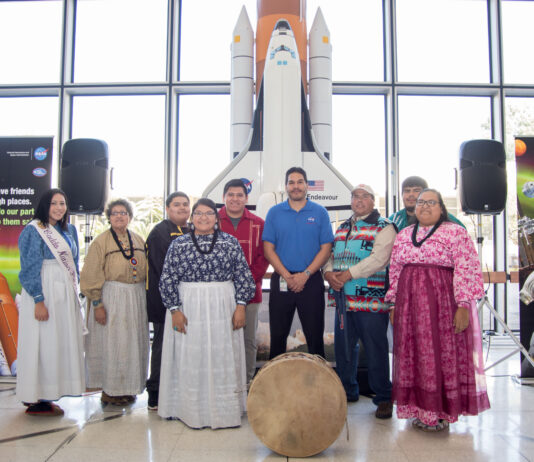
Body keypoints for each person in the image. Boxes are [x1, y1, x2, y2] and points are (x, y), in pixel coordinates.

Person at [385, 188, 490, 432]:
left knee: (442, 355)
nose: (425, 206)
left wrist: (463, 305)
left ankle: (441, 411)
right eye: (421, 202)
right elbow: (395, 271)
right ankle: (420, 408)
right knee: (416, 354)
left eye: (431, 202)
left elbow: (466, 269)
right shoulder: (403, 235)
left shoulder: (455, 233)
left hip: (443, 305)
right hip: (410, 306)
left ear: (442, 208)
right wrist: (393, 303)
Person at [158, 198, 256, 429]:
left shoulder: (230, 242)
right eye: (198, 213)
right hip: (188, 306)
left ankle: (224, 410)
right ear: (192, 218)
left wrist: (240, 306)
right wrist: (175, 310)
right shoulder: (179, 244)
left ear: (216, 218)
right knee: (191, 356)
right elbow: (167, 279)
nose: (203, 218)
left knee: (222, 354)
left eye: (208, 213)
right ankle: (189, 410)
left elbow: (244, 276)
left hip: (223, 306)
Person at [323, 184, 396, 419]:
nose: (359, 200)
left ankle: (384, 397)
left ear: (373, 201)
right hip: (344, 299)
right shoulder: (343, 227)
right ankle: (347, 390)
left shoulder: (385, 227)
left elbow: (379, 259)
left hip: (371, 302)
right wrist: (329, 273)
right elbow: (330, 255)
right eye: (355, 196)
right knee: (344, 348)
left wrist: (348, 275)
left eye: (365, 196)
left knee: (375, 349)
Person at [17, 188, 85, 415]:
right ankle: (36, 397)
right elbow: (28, 268)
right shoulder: (33, 230)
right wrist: (38, 299)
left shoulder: (70, 230)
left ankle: (53, 391)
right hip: (43, 289)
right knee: (42, 340)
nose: (59, 208)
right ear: (44, 205)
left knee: (59, 341)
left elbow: (73, 264)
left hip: (64, 291)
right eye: (54, 203)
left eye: (62, 203)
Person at [81, 199, 149, 406]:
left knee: (131, 344)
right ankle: (110, 390)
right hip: (111, 297)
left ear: (129, 216)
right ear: (109, 217)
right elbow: (91, 273)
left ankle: (127, 387)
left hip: (135, 297)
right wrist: (97, 303)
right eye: (115, 213)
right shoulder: (101, 242)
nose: (119, 216)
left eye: (124, 213)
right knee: (112, 344)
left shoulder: (138, 239)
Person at [262, 167, 334, 359]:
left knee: (315, 339)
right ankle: (274, 387)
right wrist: (287, 275)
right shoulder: (275, 213)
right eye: (291, 182)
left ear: (306, 185)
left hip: (311, 280)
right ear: (286, 186)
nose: (296, 186)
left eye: (300, 182)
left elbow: (326, 248)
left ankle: (318, 387)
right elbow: (268, 249)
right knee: (277, 338)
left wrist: (305, 275)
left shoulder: (320, 212)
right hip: (282, 280)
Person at [219, 179, 269, 385]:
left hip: (250, 293)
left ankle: (246, 383)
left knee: (248, 341)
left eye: (239, 195)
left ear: (247, 198)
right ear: (224, 197)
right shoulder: (213, 221)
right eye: (230, 194)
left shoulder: (259, 223)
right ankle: (222, 382)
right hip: (218, 293)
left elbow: (264, 257)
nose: (235, 199)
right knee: (220, 339)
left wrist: (244, 283)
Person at [145, 192, 190, 410]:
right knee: (162, 346)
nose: (182, 208)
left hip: (187, 300)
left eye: (185, 204)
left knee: (182, 347)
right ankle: (155, 392)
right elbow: (163, 270)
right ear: (167, 209)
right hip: (164, 302)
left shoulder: (192, 230)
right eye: (176, 205)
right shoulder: (159, 233)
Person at [389, 176, 464, 231]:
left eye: (416, 190)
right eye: (407, 191)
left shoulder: (446, 219)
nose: (411, 194)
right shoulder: (394, 220)